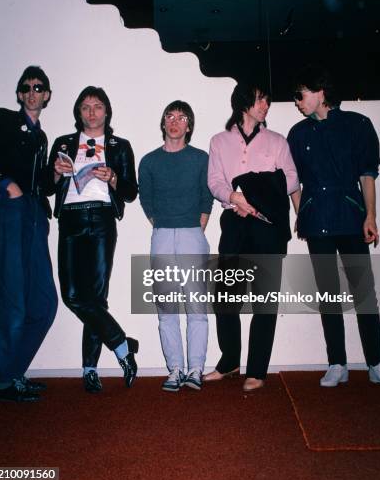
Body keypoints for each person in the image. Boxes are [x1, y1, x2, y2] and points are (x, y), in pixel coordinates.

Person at [287, 64, 380, 387]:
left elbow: (367, 175)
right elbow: (293, 182)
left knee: (364, 293)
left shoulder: (358, 125)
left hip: (351, 217)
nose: (297, 102)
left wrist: (370, 216)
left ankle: (376, 361)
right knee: (327, 295)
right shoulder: (298, 134)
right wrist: (303, 213)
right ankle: (337, 363)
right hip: (318, 223)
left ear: (320, 92)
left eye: (300, 96)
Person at [206, 83, 299, 392]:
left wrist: (253, 196)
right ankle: (230, 360)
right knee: (225, 298)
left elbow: (291, 180)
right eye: (260, 99)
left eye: (267, 100)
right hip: (234, 222)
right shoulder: (219, 141)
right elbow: (215, 181)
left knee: (264, 302)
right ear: (244, 103)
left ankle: (257, 370)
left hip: (267, 228)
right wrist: (234, 196)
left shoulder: (277, 141)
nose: (266, 105)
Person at [47, 86, 138, 392]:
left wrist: (112, 177)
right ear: (78, 112)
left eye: (97, 106)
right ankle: (123, 345)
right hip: (71, 218)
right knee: (73, 296)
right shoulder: (63, 143)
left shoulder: (119, 146)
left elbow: (130, 192)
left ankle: (89, 369)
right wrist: (58, 174)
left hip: (101, 219)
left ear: (107, 111)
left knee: (95, 298)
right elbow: (47, 186)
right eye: (85, 107)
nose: (91, 112)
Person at [0, 65, 58, 402]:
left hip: (34, 217)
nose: (32, 91)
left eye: (38, 87)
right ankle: (0, 380)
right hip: (10, 212)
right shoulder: (1, 119)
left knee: (44, 303)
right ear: (19, 94)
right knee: (9, 297)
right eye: (26, 86)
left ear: (46, 96)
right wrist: (5, 184)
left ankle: (13, 371)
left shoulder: (41, 138)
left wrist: (55, 174)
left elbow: (42, 184)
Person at [138, 100, 213, 392]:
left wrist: (195, 228)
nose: (175, 122)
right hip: (162, 235)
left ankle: (195, 368)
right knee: (166, 309)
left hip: (192, 234)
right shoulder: (149, 162)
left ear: (189, 126)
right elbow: (147, 200)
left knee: (196, 307)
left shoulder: (200, 159)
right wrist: (164, 225)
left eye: (181, 118)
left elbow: (207, 198)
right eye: (170, 116)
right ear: (163, 122)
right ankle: (176, 369)